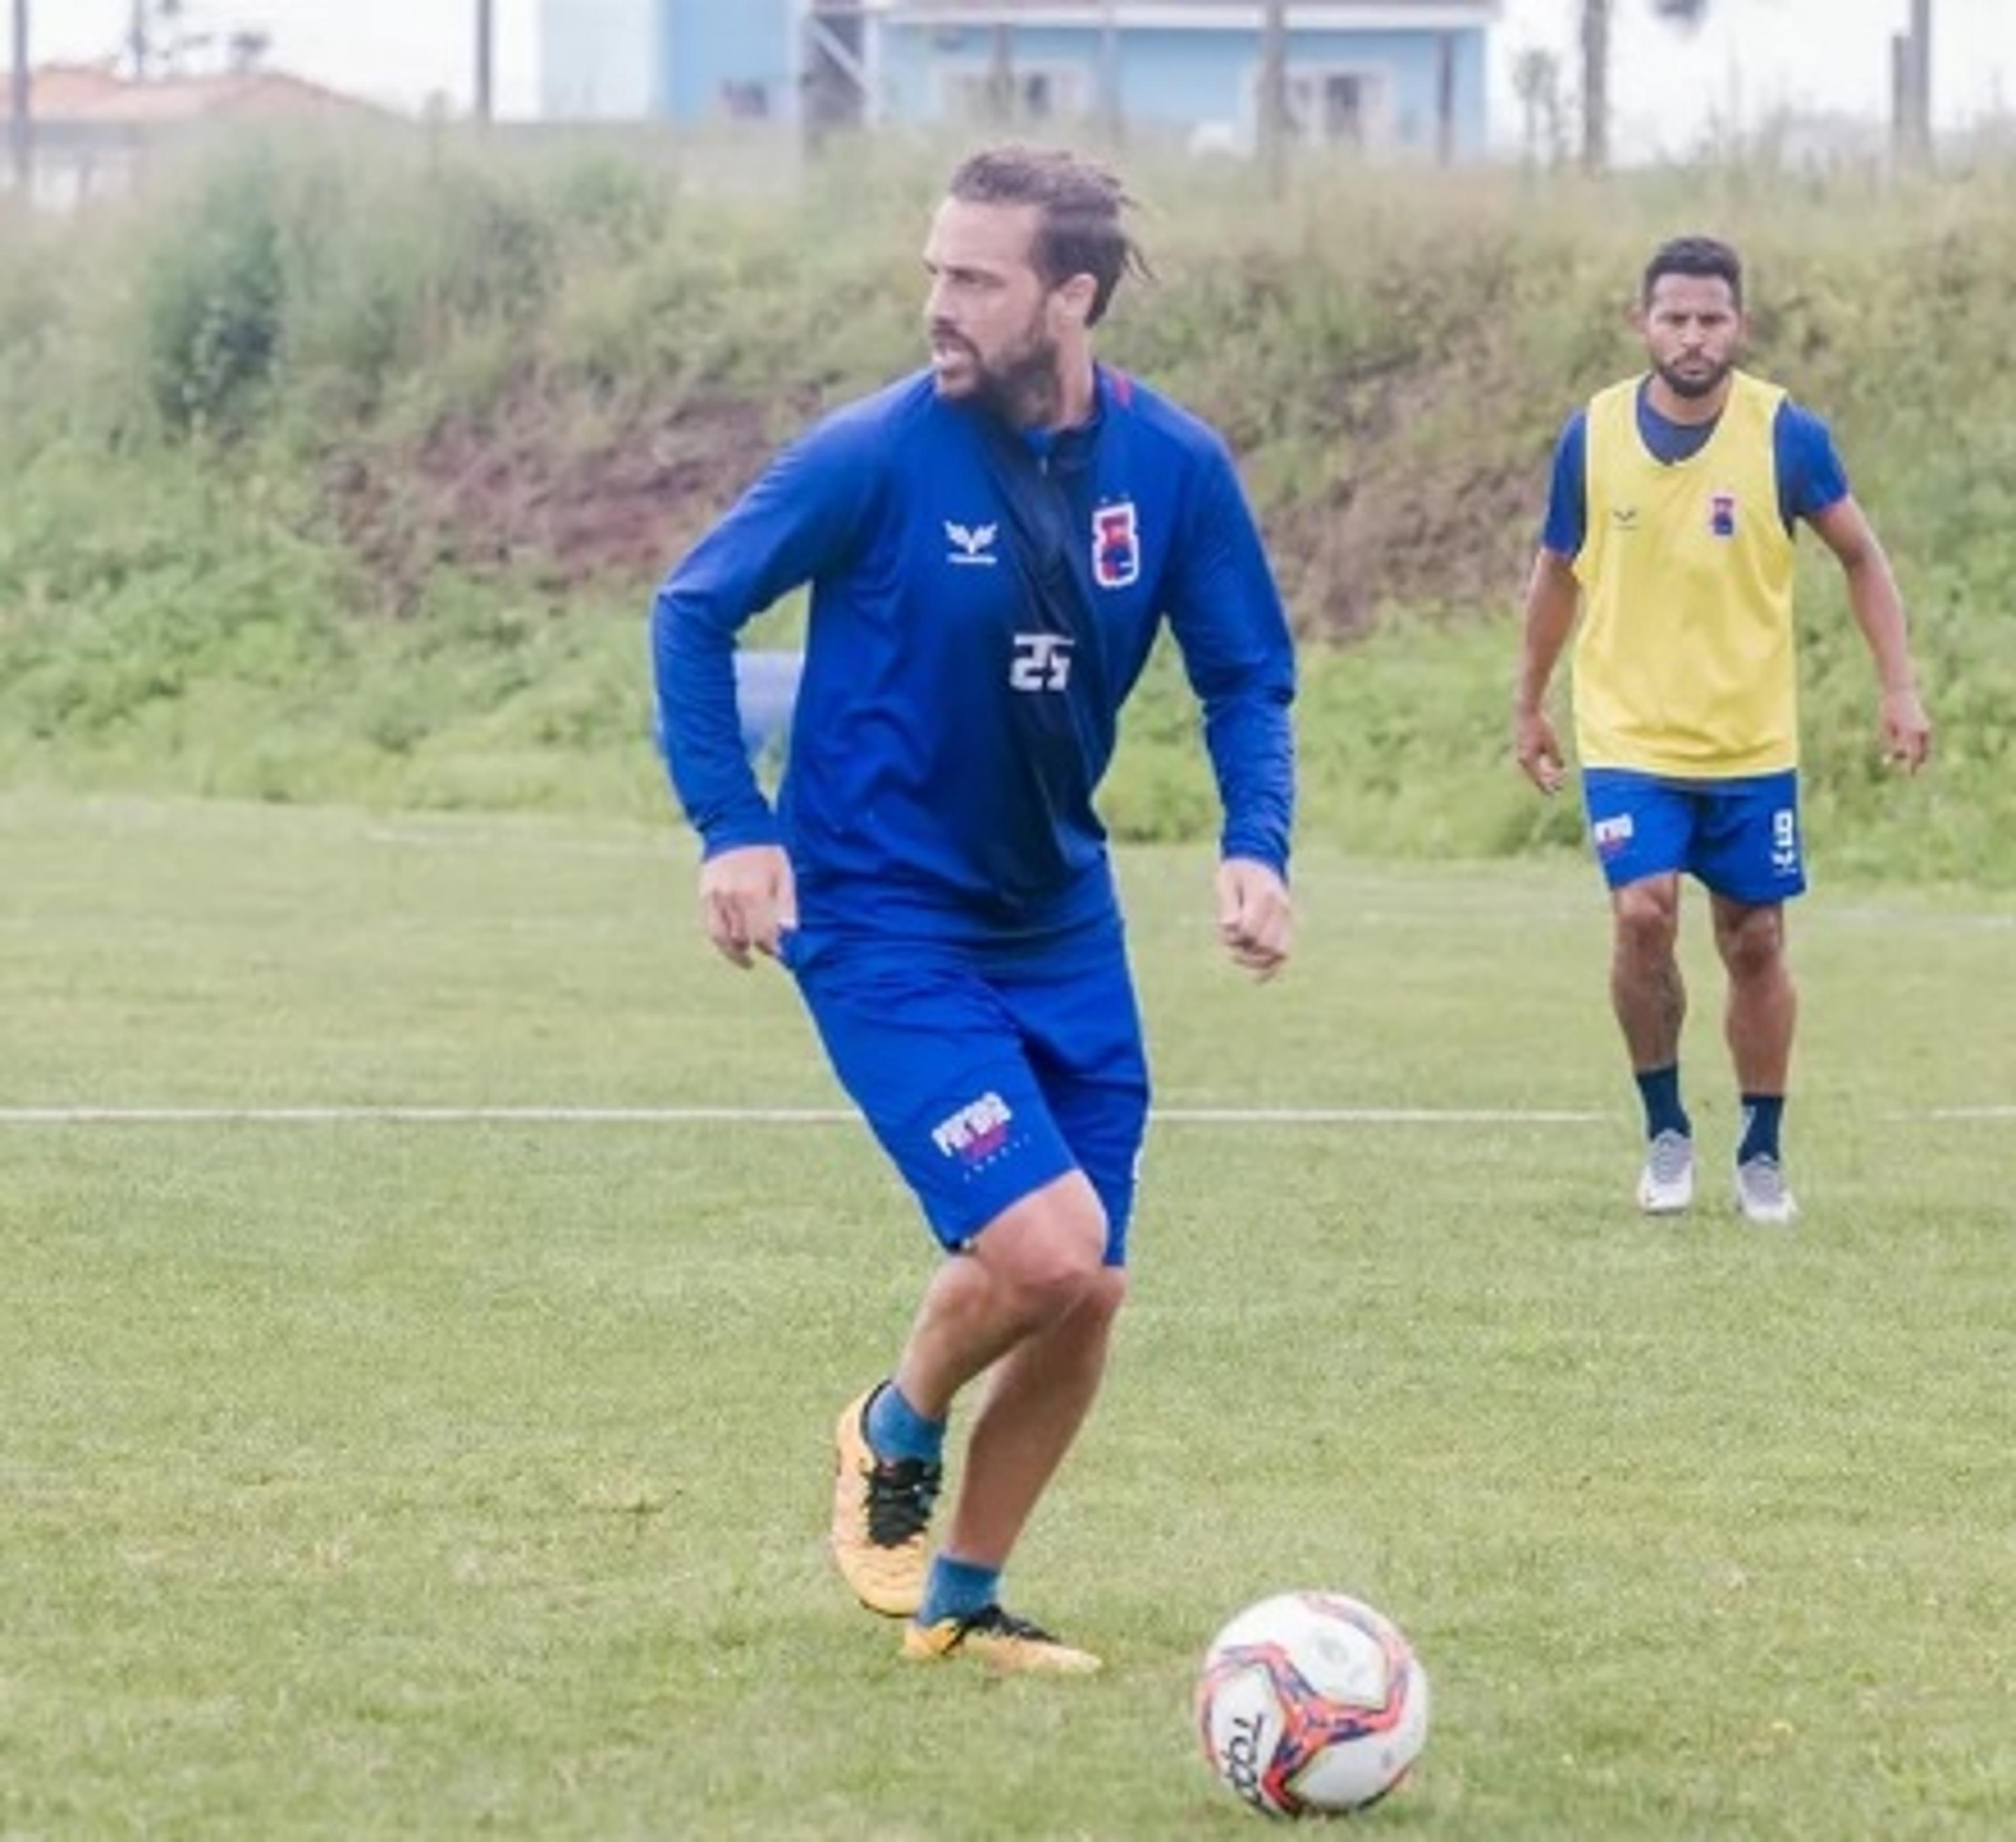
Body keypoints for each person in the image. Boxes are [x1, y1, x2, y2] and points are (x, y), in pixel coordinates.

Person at [648, 146, 1295, 1673]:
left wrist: (1256, 842)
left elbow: (1246, 674)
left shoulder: (1176, 470)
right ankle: (891, 1421)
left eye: (975, 279)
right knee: (1054, 1246)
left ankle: (962, 1600)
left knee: (1093, 1289)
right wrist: (733, 829)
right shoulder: (874, 453)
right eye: (933, 270)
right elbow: (692, 606)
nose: (937, 304)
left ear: (1068, 295)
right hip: (881, 920)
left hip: (1061, 919)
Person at [1513, 235, 1931, 1227]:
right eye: (1674, 318)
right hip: (1627, 735)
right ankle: (1665, 1129)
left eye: (1711, 319)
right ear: (1642, 324)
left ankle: (1760, 1148)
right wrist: (1528, 699)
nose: (1693, 337)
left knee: (1754, 939)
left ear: (1738, 325)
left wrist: (1900, 687)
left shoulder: (1787, 434)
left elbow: (1863, 558)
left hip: (1749, 744)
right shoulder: (1594, 433)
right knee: (1642, 914)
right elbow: (1554, 574)